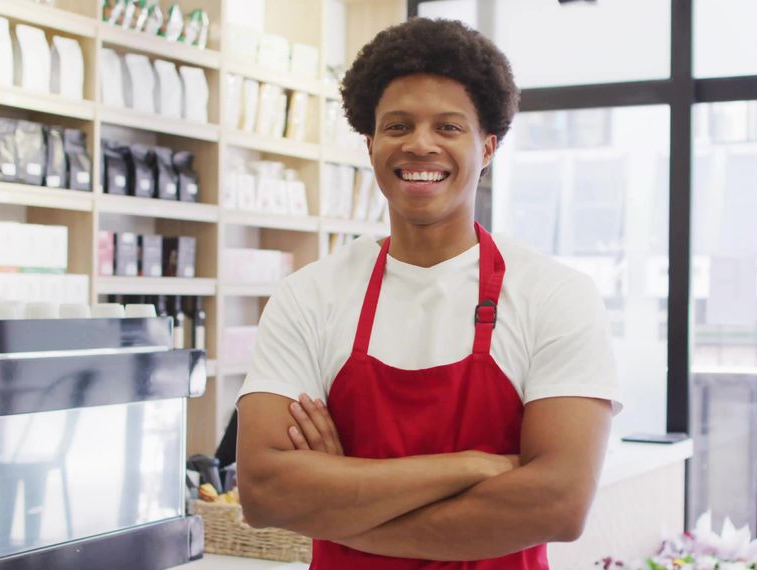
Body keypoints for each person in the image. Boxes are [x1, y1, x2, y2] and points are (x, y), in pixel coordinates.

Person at [236, 17, 621, 569]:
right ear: (370, 144)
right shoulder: (309, 296)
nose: (420, 144)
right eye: (397, 126)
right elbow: (265, 492)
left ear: (487, 147)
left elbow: (558, 505)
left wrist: (341, 504)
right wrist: (472, 467)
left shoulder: (554, 296)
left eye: (448, 127)